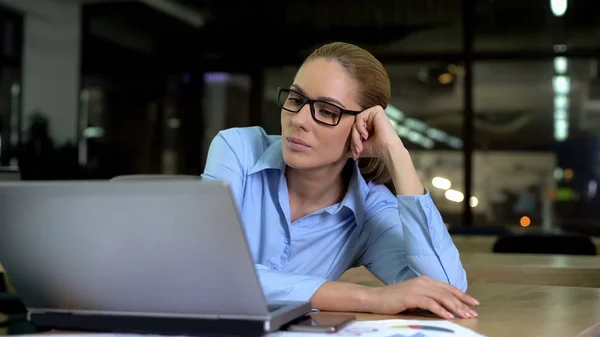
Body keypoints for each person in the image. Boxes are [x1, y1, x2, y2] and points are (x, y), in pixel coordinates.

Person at [202, 42, 479, 320]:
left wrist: (397, 156)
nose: (299, 120)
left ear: (365, 128)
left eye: (327, 111)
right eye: (296, 100)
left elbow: (446, 292)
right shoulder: (237, 150)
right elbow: (211, 270)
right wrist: (370, 297)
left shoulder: (369, 210)